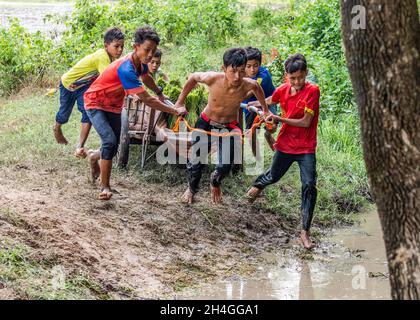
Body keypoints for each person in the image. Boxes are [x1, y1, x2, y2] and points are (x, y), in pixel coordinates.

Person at [84, 26, 187, 200]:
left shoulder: (140, 63)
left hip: (114, 105)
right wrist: (173, 110)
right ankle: (105, 187)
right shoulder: (126, 68)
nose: (149, 55)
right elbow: (147, 99)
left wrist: (160, 92)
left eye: (153, 51)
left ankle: (94, 156)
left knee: (115, 144)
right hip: (95, 103)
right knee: (109, 141)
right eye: (147, 50)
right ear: (135, 47)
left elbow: (146, 78)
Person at [175, 47, 271, 205]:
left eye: (241, 71)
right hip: (206, 122)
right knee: (196, 162)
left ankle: (215, 182)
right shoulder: (213, 78)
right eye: (233, 71)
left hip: (229, 126)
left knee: (226, 164)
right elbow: (192, 78)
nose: (237, 76)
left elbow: (257, 88)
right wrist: (180, 102)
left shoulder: (248, 84)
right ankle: (191, 189)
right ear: (223, 68)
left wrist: (266, 110)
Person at [246, 53, 320, 249]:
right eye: (292, 78)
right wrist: (255, 105)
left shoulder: (313, 91)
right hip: (286, 144)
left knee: (309, 185)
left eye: (300, 77)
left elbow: (306, 122)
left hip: (306, 147)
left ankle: (305, 231)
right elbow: (270, 99)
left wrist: (278, 119)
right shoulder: (283, 90)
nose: (297, 82)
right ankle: (257, 186)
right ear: (286, 76)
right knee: (273, 176)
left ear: (306, 73)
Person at [53, 27, 125, 158]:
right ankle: (57, 128)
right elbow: (109, 79)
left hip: (84, 87)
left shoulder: (111, 59)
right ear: (106, 45)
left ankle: (79, 147)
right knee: (64, 114)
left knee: (88, 113)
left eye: (122, 46)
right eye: (116, 46)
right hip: (68, 84)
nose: (120, 50)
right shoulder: (102, 57)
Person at [242, 47, 278, 133]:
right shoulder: (240, 73)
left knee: (271, 128)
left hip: (267, 103)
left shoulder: (263, 75)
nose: (252, 70)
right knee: (251, 132)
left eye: (255, 66)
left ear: (260, 64)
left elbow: (250, 92)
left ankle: (268, 134)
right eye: (248, 66)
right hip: (249, 105)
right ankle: (254, 145)